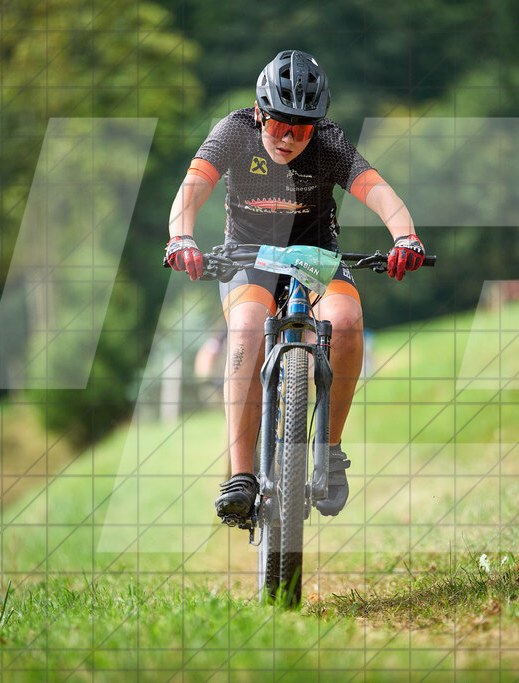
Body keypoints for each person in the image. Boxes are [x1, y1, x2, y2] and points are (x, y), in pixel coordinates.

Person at [163, 50, 426, 525]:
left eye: (300, 128)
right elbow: (192, 188)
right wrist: (180, 235)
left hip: (316, 257)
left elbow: (380, 191)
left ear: (315, 125)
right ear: (260, 112)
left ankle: (329, 450)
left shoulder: (328, 142)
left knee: (344, 322)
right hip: (248, 256)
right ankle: (241, 476)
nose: (287, 137)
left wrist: (404, 235)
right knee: (244, 331)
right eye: (278, 124)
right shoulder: (234, 131)